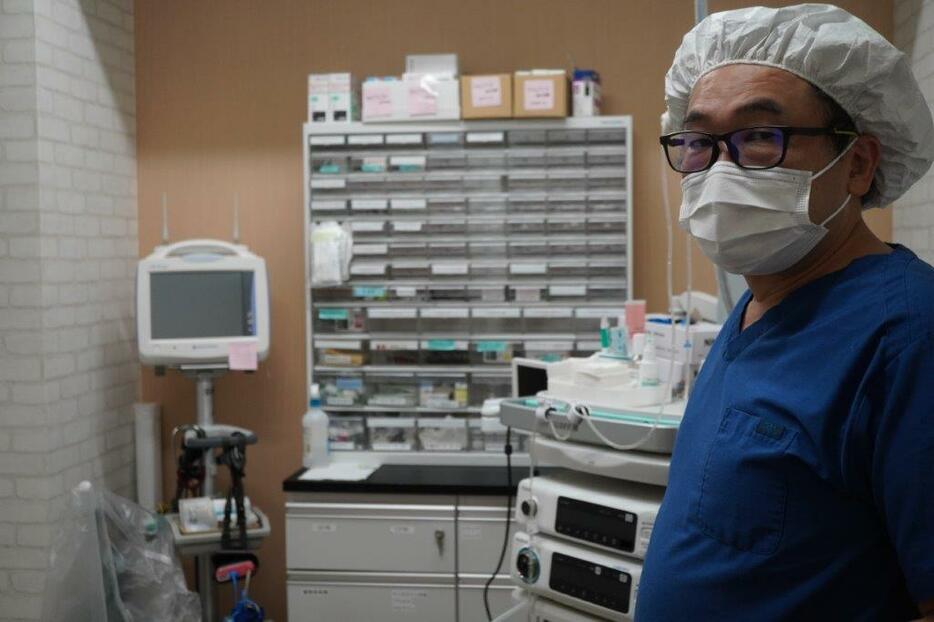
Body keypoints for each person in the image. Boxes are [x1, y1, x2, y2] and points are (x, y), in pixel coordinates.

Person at [636, 5, 934, 621]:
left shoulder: (908, 337)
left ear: (857, 164)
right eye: (698, 143)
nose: (721, 170)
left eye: (760, 138)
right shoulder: (760, 302)